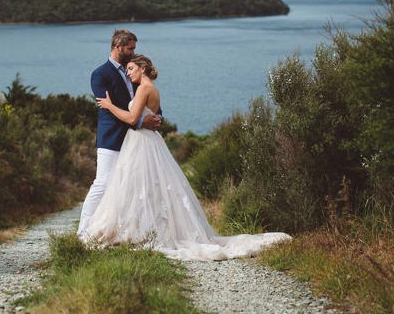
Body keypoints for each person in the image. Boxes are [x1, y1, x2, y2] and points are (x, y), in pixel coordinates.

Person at [82, 54, 291, 261]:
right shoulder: (146, 88)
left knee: (139, 185)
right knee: (141, 186)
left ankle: (142, 231)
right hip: (141, 140)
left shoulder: (145, 88)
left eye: (131, 69)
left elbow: (131, 118)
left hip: (142, 142)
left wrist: (109, 106)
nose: (127, 73)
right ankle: (141, 228)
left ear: (142, 69)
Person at [77, 29, 161, 238]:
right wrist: (140, 121)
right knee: (103, 183)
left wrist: (157, 117)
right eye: (130, 48)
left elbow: (147, 97)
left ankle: (124, 230)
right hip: (112, 138)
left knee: (133, 186)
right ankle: (83, 231)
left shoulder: (134, 70)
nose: (134, 52)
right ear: (117, 47)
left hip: (136, 140)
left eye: (134, 48)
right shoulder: (100, 74)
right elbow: (106, 107)